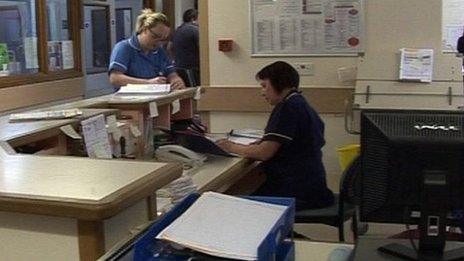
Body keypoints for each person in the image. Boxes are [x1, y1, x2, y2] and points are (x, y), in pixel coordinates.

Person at [217, 61, 334, 210]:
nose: (262, 92)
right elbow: (294, 141)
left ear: (279, 83)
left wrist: (230, 146)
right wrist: (265, 141)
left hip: (295, 190)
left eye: (265, 86)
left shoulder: (287, 107)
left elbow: (264, 153)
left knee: (227, 202)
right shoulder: (300, 103)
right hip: (311, 186)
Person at [108, 9, 185, 90]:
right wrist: (148, 83)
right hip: (129, 100)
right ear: (144, 29)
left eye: (162, 40)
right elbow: (115, 78)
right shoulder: (124, 48)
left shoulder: (160, 51)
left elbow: (171, 73)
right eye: (155, 37)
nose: (158, 43)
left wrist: (176, 80)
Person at [169, 9, 200, 86]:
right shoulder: (195, 30)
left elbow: (169, 47)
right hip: (192, 68)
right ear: (193, 19)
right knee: (194, 93)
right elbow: (203, 48)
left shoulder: (178, 30)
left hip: (178, 67)